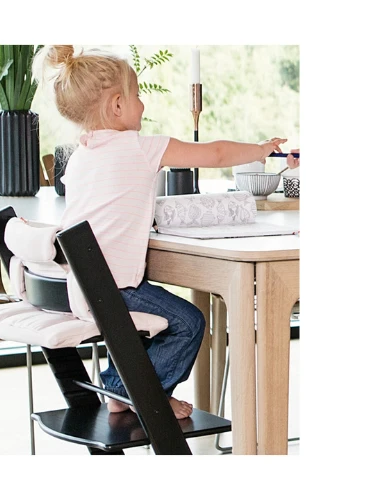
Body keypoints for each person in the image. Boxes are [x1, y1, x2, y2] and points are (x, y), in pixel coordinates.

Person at [32, 45, 287, 419]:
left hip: (82, 286)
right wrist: (259, 149)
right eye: (137, 95)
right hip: (114, 288)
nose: (143, 104)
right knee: (189, 323)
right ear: (117, 105)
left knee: (150, 322)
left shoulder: (81, 155)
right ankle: (142, 393)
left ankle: (120, 387)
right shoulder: (138, 147)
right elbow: (214, 154)